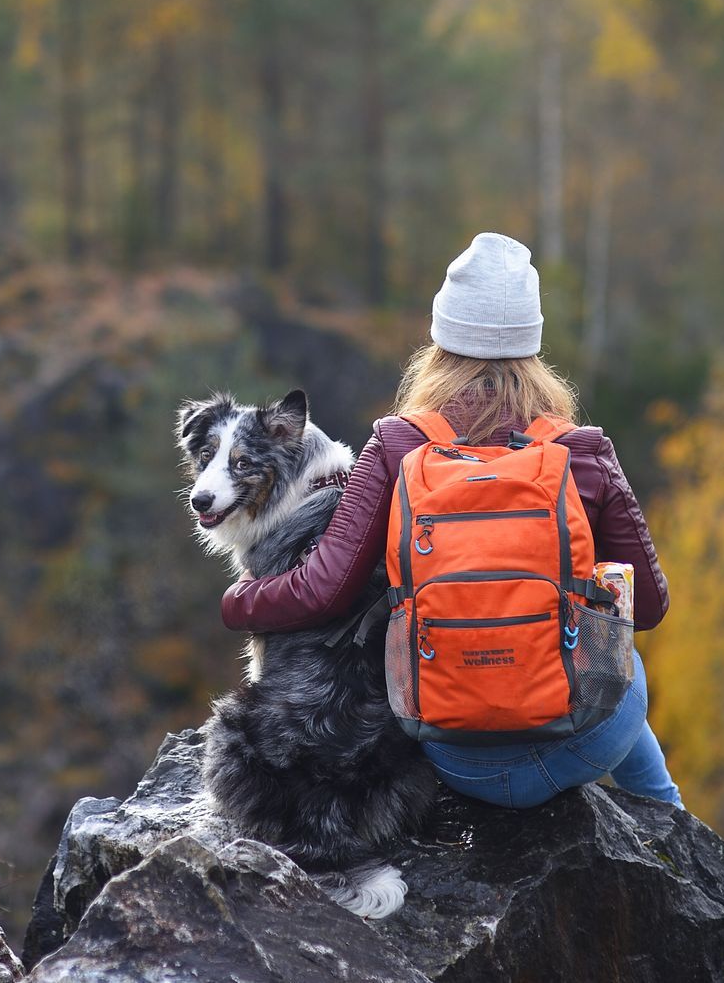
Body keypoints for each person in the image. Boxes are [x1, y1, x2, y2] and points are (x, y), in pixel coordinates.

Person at [220, 232, 683, 809]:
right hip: (585, 744)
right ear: (532, 346)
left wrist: (239, 602)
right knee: (614, 654)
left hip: (450, 753)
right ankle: (670, 820)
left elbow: (323, 591)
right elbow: (652, 608)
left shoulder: (398, 444)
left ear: (440, 341)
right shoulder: (583, 451)